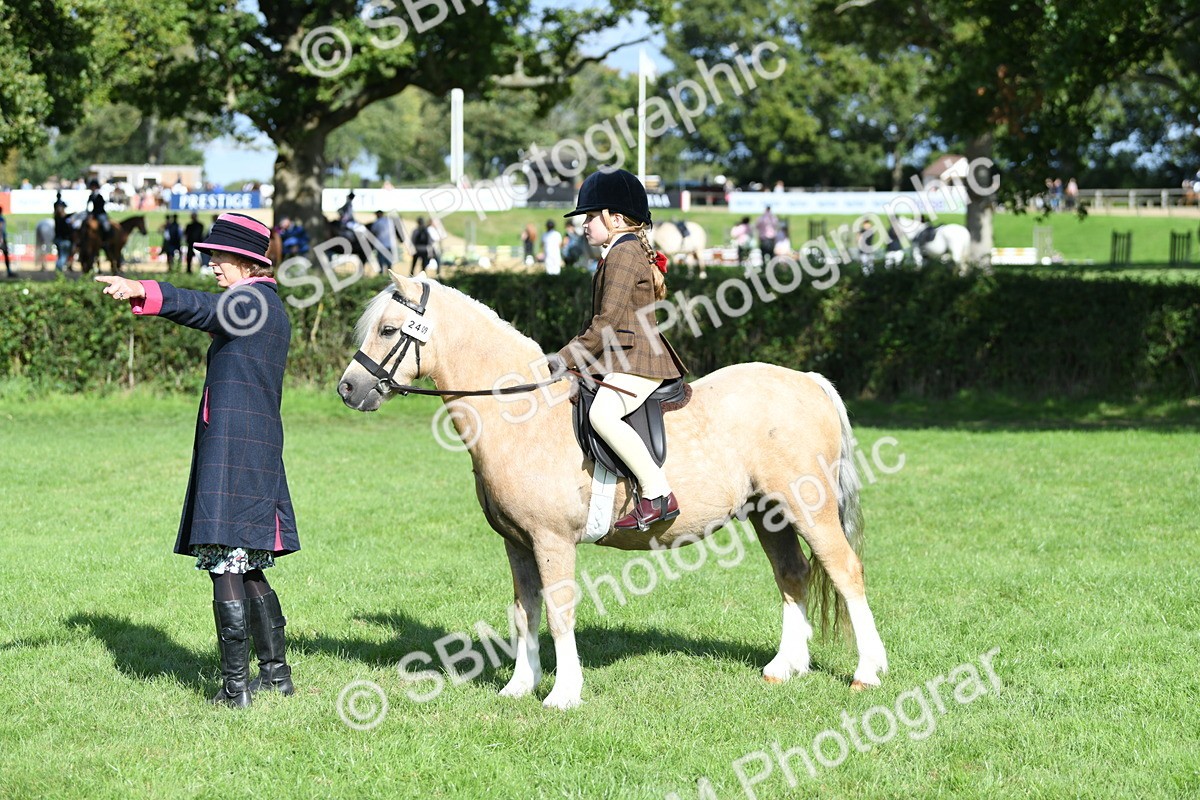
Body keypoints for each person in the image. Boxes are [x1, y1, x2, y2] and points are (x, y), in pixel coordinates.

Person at [95, 212, 300, 709]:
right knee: (249, 563)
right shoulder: (271, 305)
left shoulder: (250, 302)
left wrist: (143, 289)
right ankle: (275, 676)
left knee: (225, 563)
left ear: (250, 263)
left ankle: (235, 690)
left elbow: (202, 309)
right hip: (254, 447)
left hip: (233, 448)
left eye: (220, 258)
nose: (212, 265)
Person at [547, 168, 688, 530]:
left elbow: (606, 322)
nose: (585, 225)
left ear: (615, 217)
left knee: (603, 416)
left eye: (592, 216)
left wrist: (562, 358)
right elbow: (598, 322)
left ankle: (658, 494)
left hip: (639, 360)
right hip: (621, 355)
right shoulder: (619, 250)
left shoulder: (624, 253)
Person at [54, 202, 75, 272]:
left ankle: (58, 269)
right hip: (65, 241)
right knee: (63, 256)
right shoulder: (64, 220)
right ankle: (58, 269)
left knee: (60, 255)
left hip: (58, 240)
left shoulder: (56, 218)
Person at [0, 208, 12, 278]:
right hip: (2, 239)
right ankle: (8, 271)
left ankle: (9, 271)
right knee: (6, 255)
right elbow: (1, 229)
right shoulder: (1, 219)